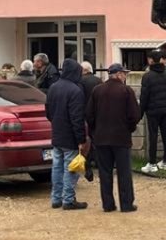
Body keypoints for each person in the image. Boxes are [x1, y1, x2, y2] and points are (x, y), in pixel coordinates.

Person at [86, 63, 142, 213]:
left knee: (105, 172)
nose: (125, 76)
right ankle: (126, 204)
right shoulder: (126, 91)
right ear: (118, 74)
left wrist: (94, 132)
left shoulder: (97, 90)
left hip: (101, 138)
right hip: (121, 138)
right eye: (124, 74)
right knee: (124, 172)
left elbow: (89, 115)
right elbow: (134, 115)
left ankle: (108, 204)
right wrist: (129, 129)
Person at [45, 58, 89, 210]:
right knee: (71, 168)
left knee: (56, 167)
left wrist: (56, 123)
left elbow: (48, 112)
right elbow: (77, 118)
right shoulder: (75, 90)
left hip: (57, 134)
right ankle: (68, 200)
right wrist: (81, 139)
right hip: (70, 136)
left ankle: (56, 198)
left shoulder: (53, 87)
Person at [139, 49, 166, 174]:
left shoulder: (147, 76)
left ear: (151, 60)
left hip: (153, 111)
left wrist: (140, 112)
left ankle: (152, 163)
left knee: (153, 136)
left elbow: (144, 96)